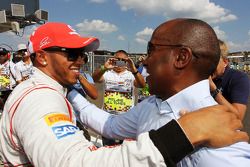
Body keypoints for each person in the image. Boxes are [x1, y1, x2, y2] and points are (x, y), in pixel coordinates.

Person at [1, 22, 246, 167]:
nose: (144, 60)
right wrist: (181, 136)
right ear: (42, 57)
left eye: (150, 50)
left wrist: (69, 91)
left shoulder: (223, 140)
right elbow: (107, 129)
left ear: (181, 58)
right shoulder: (41, 98)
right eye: (71, 53)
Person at [92, 50, 146, 145]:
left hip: (127, 119)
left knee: (125, 149)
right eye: (117, 59)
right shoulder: (107, 73)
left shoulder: (131, 75)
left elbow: (142, 85)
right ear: (113, 60)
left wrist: (134, 69)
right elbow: (95, 78)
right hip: (108, 119)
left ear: (127, 61)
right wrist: (104, 67)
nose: (119, 62)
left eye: (122, 60)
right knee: (108, 148)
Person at [209, 39, 250, 120]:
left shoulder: (239, 78)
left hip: (227, 130)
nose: (209, 66)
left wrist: (214, 90)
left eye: (213, 61)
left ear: (225, 62)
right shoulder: (201, 76)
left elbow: (238, 117)